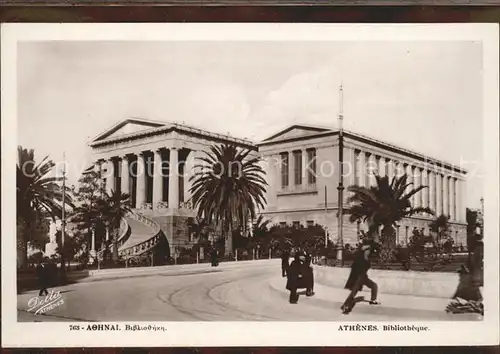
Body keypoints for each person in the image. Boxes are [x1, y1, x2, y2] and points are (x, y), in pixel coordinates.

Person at [341, 238, 380, 314]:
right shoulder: (360, 256)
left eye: (369, 251)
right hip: (358, 277)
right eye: (367, 250)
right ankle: (346, 306)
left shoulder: (367, 259)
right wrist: (370, 244)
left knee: (374, 286)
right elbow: (360, 249)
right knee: (354, 292)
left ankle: (373, 300)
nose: (368, 252)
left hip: (364, 277)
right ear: (365, 250)